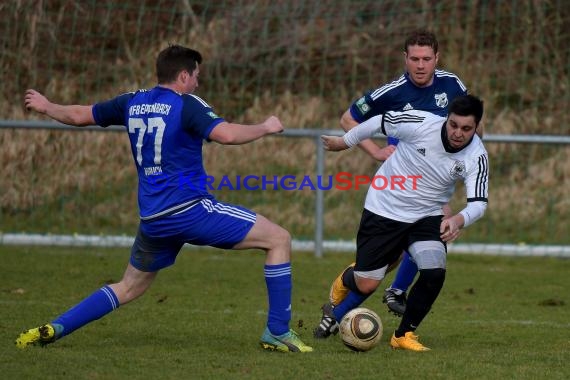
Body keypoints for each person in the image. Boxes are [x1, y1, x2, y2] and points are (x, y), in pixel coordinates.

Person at [15, 45, 312, 353]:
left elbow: (81, 115)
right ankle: (277, 331)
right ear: (183, 75)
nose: (198, 82)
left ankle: (56, 327)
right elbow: (225, 135)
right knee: (279, 239)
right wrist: (266, 126)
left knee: (128, 287)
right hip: (190, 211)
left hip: (153, 220)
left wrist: (48, 106)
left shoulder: (132, 101)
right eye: (196, 75)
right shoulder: (186, 104)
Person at [317, 94, 489, 351]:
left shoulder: (476, 156)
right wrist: (344, 142)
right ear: (447, 118)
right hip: (385, 207)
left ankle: (403, 335)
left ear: (476, 128)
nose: (457, 133)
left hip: (427, 216)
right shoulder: (421, 123)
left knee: (434, 271)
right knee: (367, 283)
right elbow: (379, 121)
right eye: (453, 125)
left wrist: (457, 219)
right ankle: (346, 278)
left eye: (466, 129)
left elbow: (479, 203)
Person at [334, 28, 473, 319]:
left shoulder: (453, 85)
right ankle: (392, 290)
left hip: (436, 176)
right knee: (435, 229)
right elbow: (348, 119)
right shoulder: (391, 92)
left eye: (426, 59)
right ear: (405, 59)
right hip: (403, 178)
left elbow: (469, 121)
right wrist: (374, 151)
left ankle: (344, 305)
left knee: (398, 253)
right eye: (414, 59)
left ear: (437, 58)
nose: (420, 65)